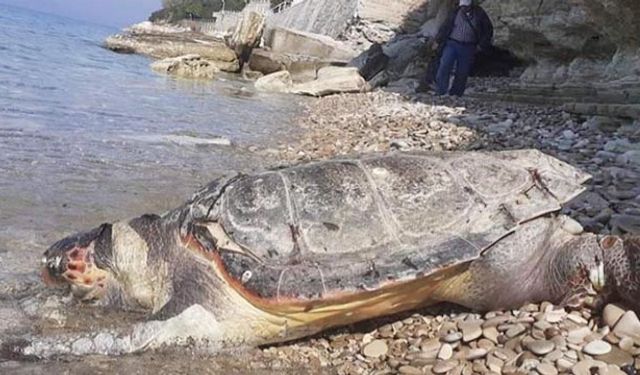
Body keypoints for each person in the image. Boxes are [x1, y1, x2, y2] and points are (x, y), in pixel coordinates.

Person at [434, 0, 493, 96]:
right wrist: (438, 40)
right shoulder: (455, 11)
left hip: (468, 46)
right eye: (462, 6)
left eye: (466, 6)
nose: (464, 8)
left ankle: (456, 93)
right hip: (452, 43)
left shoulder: (479, 13)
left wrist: (482, 45)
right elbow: (446, 26)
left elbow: (488, 29)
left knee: (462, 71)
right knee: (444, 65)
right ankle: (440, 91)